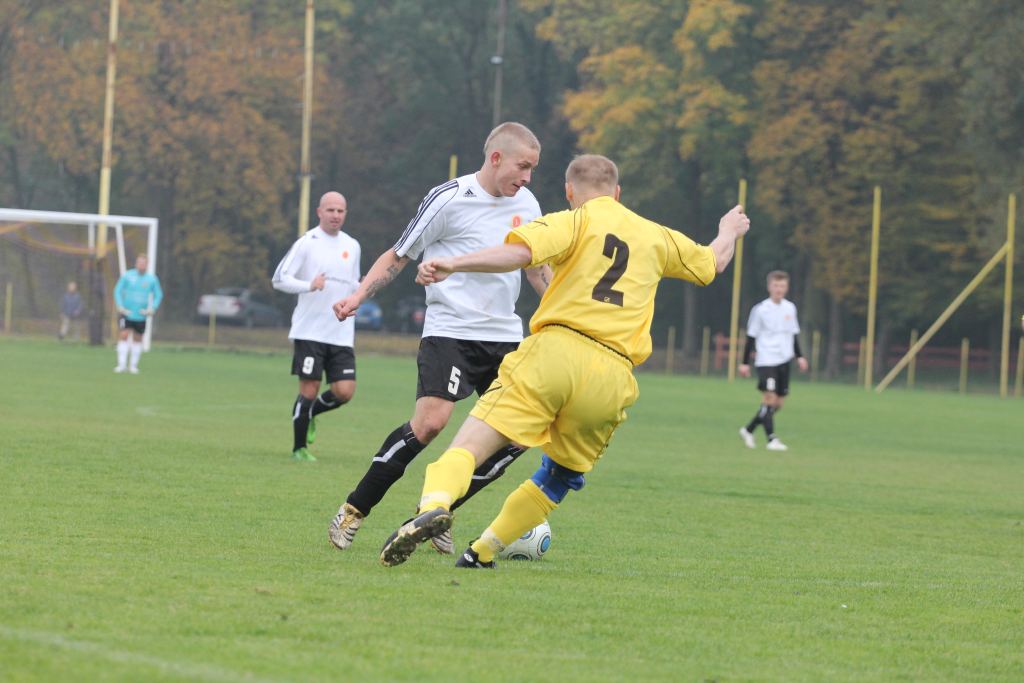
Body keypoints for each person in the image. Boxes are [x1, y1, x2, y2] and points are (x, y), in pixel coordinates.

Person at [376, 153, 749, 569]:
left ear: (570, 192)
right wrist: (728, 230)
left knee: (471, 445)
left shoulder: (572, 221)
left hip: (555, 352)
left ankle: (435, 503)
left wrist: (454, 262)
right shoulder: (655, 235)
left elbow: (518, 255)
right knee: (558, 476)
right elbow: (713, 262)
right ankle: (481, 552)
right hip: (613, 374)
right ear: (618, 192)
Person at [327, 122, 552, 554]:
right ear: (496, 158)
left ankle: (436, 511)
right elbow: (398, 254)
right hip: (450, 329)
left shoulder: (528, 202)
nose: (527, 178)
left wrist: (568, 311)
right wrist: (358, 294)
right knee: (430, 424)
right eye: (523, 167)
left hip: (505, 336)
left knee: (521, 436)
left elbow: (537, 268)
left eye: (533, 170)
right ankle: (354, 510)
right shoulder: (449, 198)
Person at [272, 191, 362, 462]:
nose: (336, 215)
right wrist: (309, 285)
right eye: (331, 210)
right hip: (310, 331)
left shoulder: (353, 246)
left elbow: (354, 283)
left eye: (341, 211)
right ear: (319, 212)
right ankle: (299, 448)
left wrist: (363, 288)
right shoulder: (307, 243)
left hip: (341, 332)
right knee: (308, 390)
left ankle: (309, 414)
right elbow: (279, 279)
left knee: (344, 391)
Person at [737, 271, 808, 451]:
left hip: (784, 360)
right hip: (766, 360)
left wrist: (800, 357)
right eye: (776, 286)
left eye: (782, 286)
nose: (779, 289)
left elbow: (793, 335)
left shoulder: (790, 308)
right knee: (769, 398)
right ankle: (771, 439)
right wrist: (744, 362)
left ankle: (748, 429)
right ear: (770, 287)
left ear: (786, 287)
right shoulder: (760, 310)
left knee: (778, 404)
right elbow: (751, 337)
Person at [113, 255, 163, 374]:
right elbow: (117, 290)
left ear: (147, 265)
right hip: (127, 313)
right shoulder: (128, 275)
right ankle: (121, 365)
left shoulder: (151, 279)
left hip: (140, 314)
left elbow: (158, 295)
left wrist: (152, 308)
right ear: (136, 263)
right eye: (139, 263)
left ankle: (133, 366)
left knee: (137, 338)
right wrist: (120, 305)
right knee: (124, 335)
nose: (141, 265)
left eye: (143, 263)